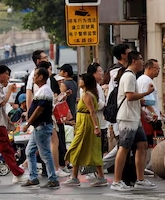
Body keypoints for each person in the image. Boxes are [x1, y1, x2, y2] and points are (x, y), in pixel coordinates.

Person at [110, 51, 157, 191]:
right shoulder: (129, 76)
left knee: (142, 145)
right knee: (123, 148)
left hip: (134, 117)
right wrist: (147, 93)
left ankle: (140, 179)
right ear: (134, 61)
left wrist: (145, 108)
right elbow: (130, 97)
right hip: (127, 118)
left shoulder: (132, 76)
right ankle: (117, 181)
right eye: (141, 59)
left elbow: (135, 99)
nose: (143, 62)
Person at [64, 73, 106, 187]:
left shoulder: (87, 95)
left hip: (86, 124)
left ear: (86, 82)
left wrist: (96, 127)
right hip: (84, 122)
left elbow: (92, 112)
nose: (79, 81)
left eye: (81, 80)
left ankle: (74, 177)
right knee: (91, 149)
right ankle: (99, 176)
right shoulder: (89, 94)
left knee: (76, 147)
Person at [20, 67, 59, 189]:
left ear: (41, 77)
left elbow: (39, 110)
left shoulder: (45, 91)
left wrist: (28, 123)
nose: (33, 77)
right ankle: (33, 177)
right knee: (30, 151)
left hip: (42, 127)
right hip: (38, 127)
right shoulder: (42, 90)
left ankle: (53, 179)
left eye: (35, 75)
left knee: (45, 154)